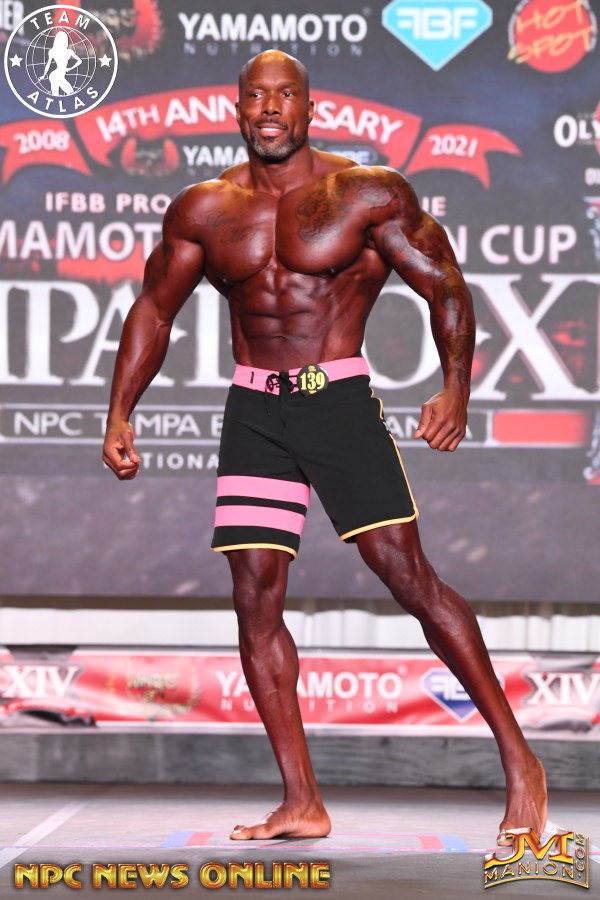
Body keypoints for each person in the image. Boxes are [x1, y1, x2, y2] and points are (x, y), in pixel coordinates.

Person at [103, 50, 547, 844]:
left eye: (286, 97)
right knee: (254, 596)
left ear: (310, 109)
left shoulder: (366, 193)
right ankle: (301, 800)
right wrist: (119, 413)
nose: (270, 109)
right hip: (254, 411)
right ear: (239, 110)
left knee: (407, 577)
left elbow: (444, 283)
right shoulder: (205, 208)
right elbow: (154, 309)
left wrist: (455, 388)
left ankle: (521, 762)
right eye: (257, 97)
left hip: (335, 401)